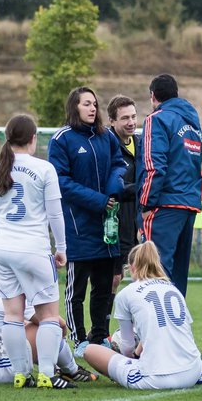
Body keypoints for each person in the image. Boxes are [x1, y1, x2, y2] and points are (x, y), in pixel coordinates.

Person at [0, 114, 76, 390]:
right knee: (48, 314)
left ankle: (21, 373)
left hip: (0, 248)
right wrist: (61, 248)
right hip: (32, 248)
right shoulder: (44, 169)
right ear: (33, 138)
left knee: (12, 315)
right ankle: (47, 373)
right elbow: (55, 214)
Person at [49, 86, 126, 351]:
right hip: (77, 227)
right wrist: (99, 201)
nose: (93, 108)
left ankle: (99, 337)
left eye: (94, 103)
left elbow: (119, 164)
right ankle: (79, 339)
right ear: (74, 107)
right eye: (86, 104)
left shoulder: (106, 137)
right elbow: (62, 182)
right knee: (76, 291)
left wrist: (113, 191)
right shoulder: (62, 139)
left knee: (104, 287)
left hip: (106, 227)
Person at [80, 242, 202, 390]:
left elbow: (126, 347)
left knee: (90, 350)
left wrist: (131, 355)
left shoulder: (126, 293)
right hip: (194, 370)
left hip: (156, 378)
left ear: (132, 267)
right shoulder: (173, 289)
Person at [0, 278, 91, 385]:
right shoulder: (9, 295)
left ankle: (67, 369)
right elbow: (56, 323)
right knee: (45, 327)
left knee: (20, 326)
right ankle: (72, 370)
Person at [136, 73, 202, 296]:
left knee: (153, 271)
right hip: (188, 204)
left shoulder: (157, 119)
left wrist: (145, 204)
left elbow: (154, 165)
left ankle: (155, 328)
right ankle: (176, 326)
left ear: (153, 96)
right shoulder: (192, 123)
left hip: (164, 204)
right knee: (177, 277)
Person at [106, 95, 140, 291]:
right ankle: (104, 320)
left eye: (133, 117)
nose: (131, 122)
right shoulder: (106, 146)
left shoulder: (142, 143)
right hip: (114, 223)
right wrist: (140, 188)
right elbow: (110, 187)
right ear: (112, 121)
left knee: (142, 276)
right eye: (125, 118)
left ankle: (135, 322)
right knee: (113, 278)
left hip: (137, 223)